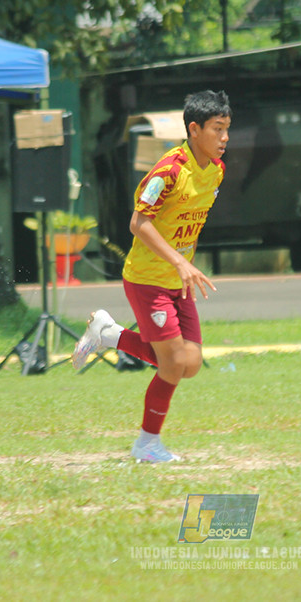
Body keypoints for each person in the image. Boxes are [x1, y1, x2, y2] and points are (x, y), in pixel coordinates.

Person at [72, 90, 231, 463]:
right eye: (218, 129)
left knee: (188, 364)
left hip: (181, 280)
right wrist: (179, 260)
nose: (225, 138)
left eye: (227, 129)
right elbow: (138, 223)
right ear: (194, 129)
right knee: (173, 364)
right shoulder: (169, 170)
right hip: (148, 279)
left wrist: (183, 264)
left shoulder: (217, 169)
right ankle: (146, 445)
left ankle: (109, 334)